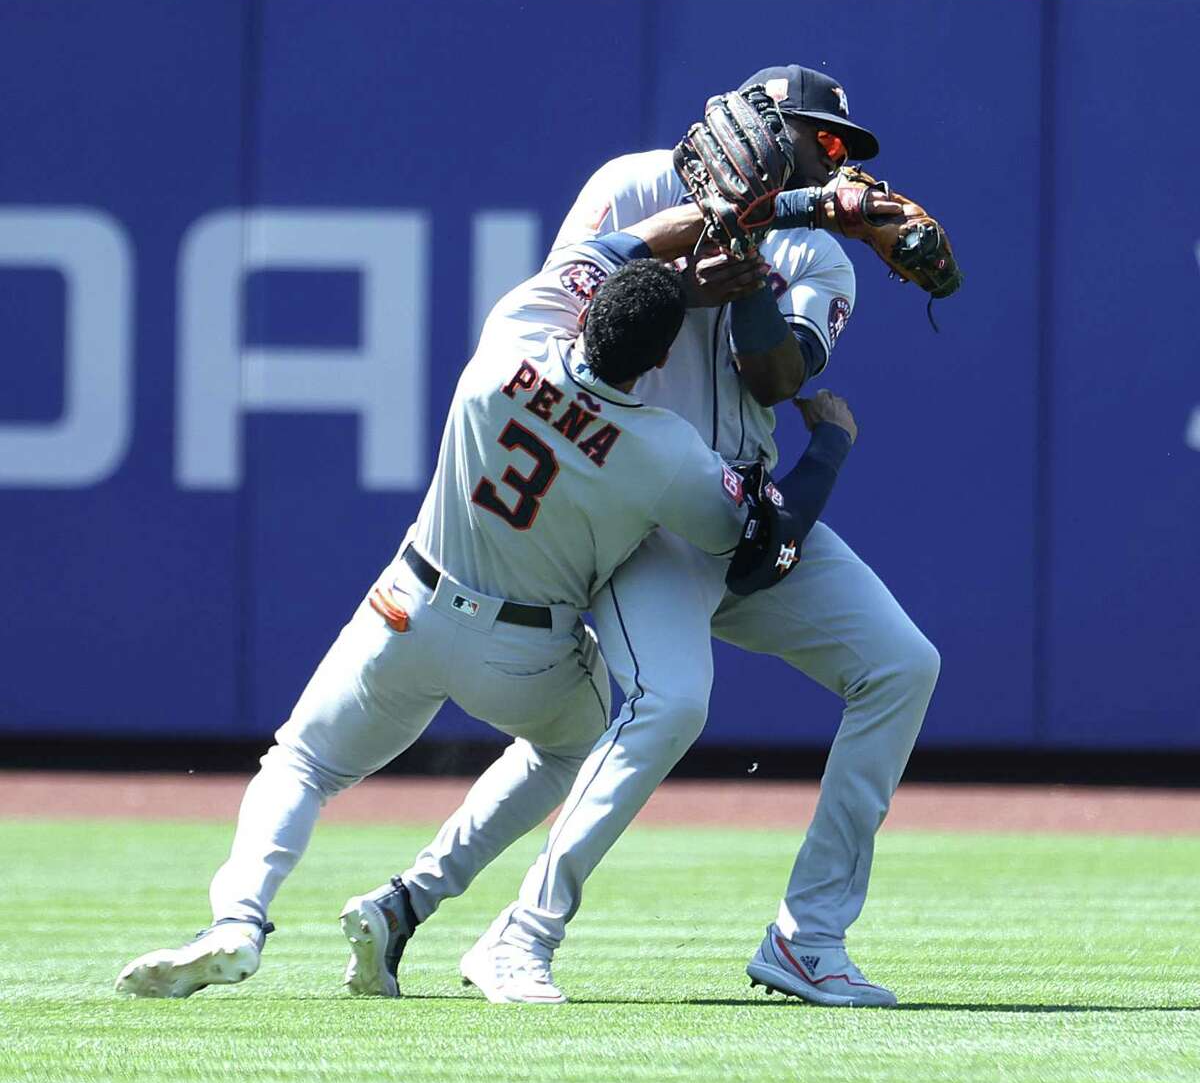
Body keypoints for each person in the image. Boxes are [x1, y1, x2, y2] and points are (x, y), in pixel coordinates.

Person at [115, 202, 857, 1001]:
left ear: (585, 303)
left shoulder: (515, 329)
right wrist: (830, 443)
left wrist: (724, 211)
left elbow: (616, 246)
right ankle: (413, 896)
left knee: (300, 762)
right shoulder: (666, 452)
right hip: (524, 650)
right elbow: (761, 546)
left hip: (409, 603)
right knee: (568, 752)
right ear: (660, 361)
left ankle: (238, 919)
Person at [344, 65, 938, 1008]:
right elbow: (580, 321)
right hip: (641, 517)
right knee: (671, 703)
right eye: (819, 139)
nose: (832, 162)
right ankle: (519, 936)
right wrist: (695, 257)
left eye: (841, 152)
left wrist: (749, 251)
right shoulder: (631, 184)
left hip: (740, 502)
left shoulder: (823, 257)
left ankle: (807, 936)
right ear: (757, 124)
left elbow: (778, 371)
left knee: (902, 664)